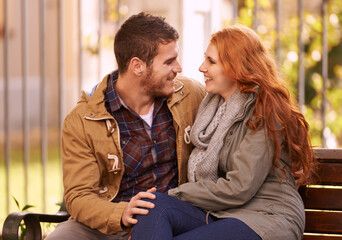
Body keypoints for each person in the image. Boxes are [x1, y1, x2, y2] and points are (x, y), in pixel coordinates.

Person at [130, 25, 317, 240]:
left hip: (266, 216)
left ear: (236, 67)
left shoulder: (264, 111)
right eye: (205, 59)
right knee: (150, 206)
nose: (201, 68)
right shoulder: (212, 109)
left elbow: (240, 187)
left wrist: (177, 193)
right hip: (224, 214)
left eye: (211, 61)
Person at [46, 12, 205, 240]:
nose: (178, 68)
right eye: (169, 62)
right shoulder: (83, 120)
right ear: (137, 66)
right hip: (110, 221)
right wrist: (122, 213)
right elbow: (79, 196)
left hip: (171, 217)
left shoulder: (189, 95)